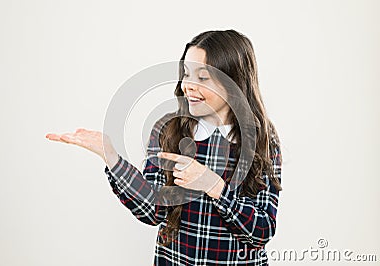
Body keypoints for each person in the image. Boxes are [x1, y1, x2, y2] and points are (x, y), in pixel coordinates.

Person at [46, 29, 283, 266]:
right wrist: (111, 157)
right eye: (186, 75)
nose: (188, 86)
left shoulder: (262, 138)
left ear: (233, 82)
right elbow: (153, 210)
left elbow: (262, 231)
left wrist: (214, 186)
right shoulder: (168, 128)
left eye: (202, 77)